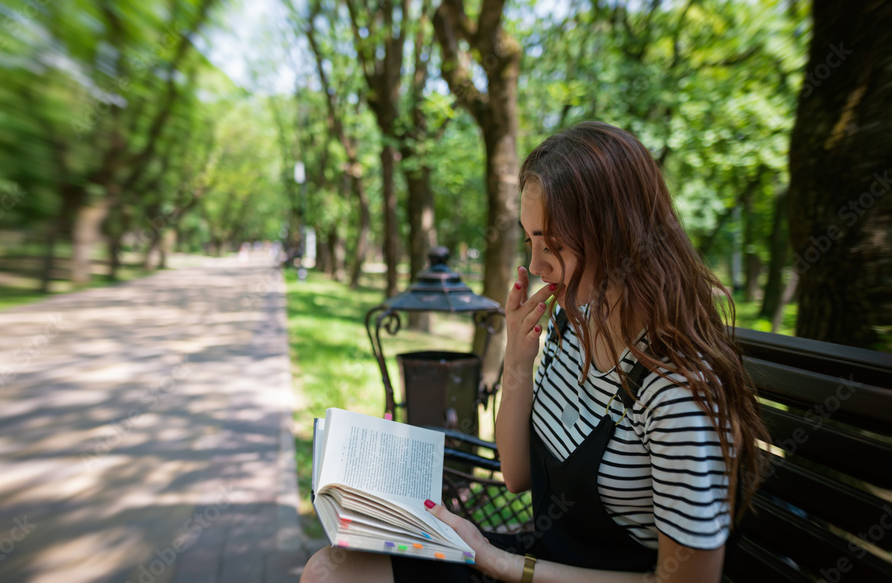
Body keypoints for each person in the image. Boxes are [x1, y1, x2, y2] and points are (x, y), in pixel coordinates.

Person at [301, 121, 768, 582]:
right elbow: (516, 474)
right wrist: (518, 359)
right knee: (329, 571)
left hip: (537, 568)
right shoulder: (574, 327)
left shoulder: (678, 390)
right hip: (534, 558)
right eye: (531, 240)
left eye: (555, 244)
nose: (537, 266)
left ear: (620, 236)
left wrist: (504, 564)